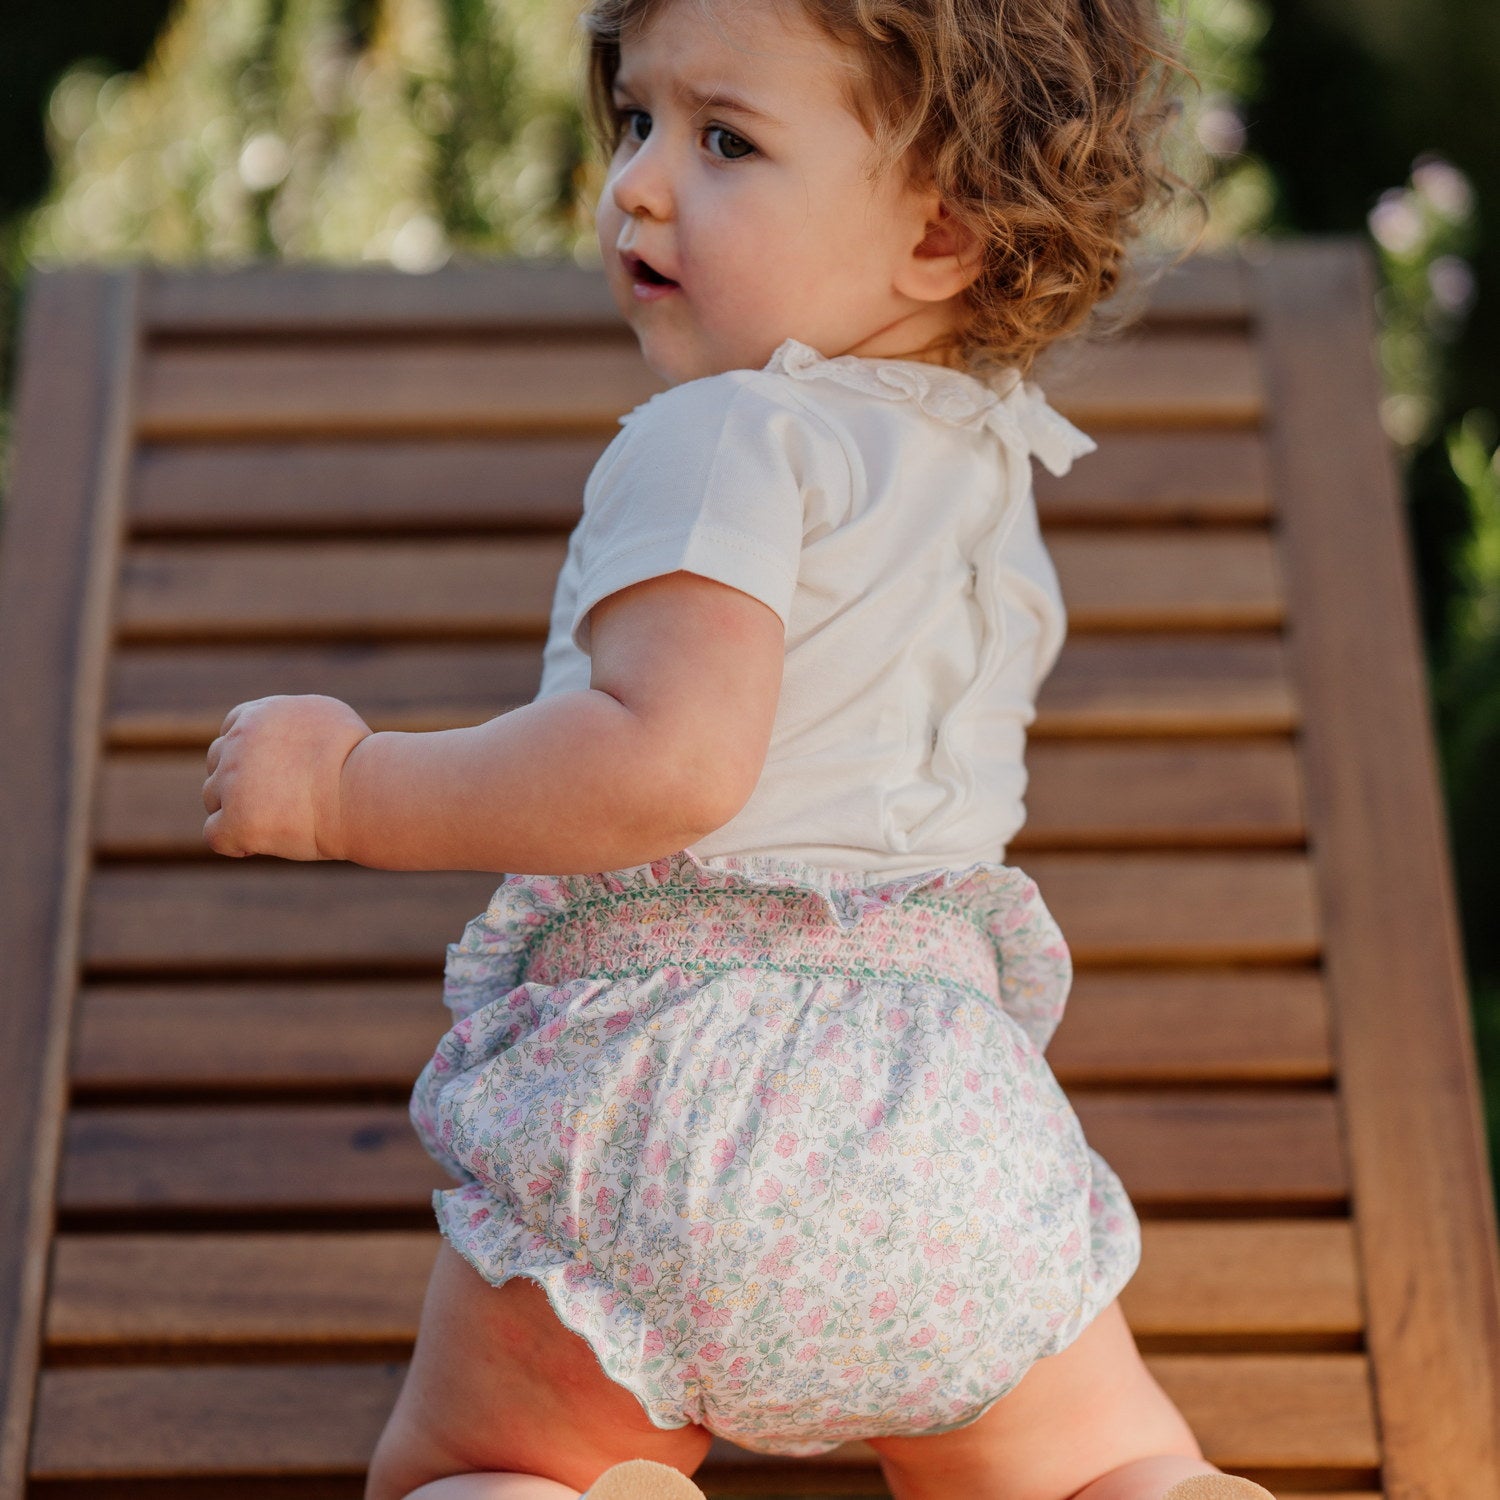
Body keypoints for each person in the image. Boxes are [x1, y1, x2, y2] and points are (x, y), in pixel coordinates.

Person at [199, 0, 1267, 1497]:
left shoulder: (720, 433)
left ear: (944, 235)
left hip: (670, 1096)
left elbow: (668, 768)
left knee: (488, 1466)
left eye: (724, 139)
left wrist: (348, 788)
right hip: (945, 1128)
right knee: (1106, 1464)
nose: (635, 181)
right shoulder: (983, 474)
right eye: (637, 120)